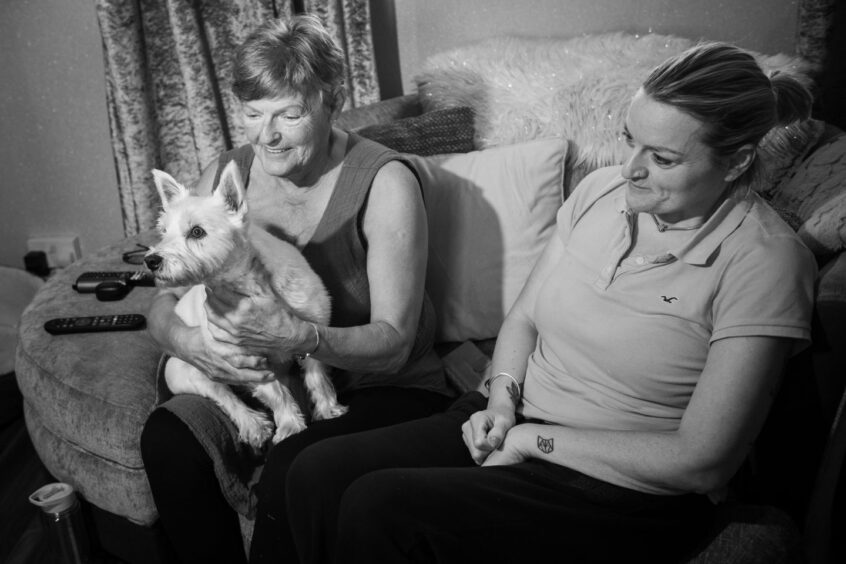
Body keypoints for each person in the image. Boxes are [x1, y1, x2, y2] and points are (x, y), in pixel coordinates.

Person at [281, 42, 818, 563]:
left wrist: (535, 442)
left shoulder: (765, 262)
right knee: (315, 471)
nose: (630, 168)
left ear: (736, 162)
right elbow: (525, 317)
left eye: (662, 158)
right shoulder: (601, 193)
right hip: (516, 417)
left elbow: (702, 463)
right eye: (628, 139)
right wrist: (499, 402)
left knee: (382, 509)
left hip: (622, 486)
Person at [139, 15, 452, 564]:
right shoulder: (227, 175)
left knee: (294, 465)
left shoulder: (385, 184)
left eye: (289, 112)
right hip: (265, 376)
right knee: (166, 440)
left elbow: (396, 342)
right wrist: (189, 344)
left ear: (331, 100)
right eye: (253, 113)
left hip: (376, 383)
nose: (267, 135)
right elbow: (162, 301)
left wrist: (298, 338)